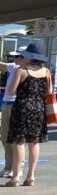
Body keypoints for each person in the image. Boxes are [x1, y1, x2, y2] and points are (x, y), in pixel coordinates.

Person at [4, 42, 51, 187]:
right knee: (34, 142)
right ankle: (31, 176)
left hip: (22, 107)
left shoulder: (21, 70)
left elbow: (11, 91)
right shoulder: (46, 72)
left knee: (19, 142)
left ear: (29, 56)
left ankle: (15, 177)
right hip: (38, 108)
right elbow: (48, 92)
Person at [1, 50, 25, 178]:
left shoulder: (26, 71)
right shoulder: (14, 67)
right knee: (5, 137)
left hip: (17, 105)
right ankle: (9, 165)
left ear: (23, 57)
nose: (13, 58)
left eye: (16, 56)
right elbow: (2, 65)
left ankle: (18, 167)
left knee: (17, 140)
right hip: (6, 104)